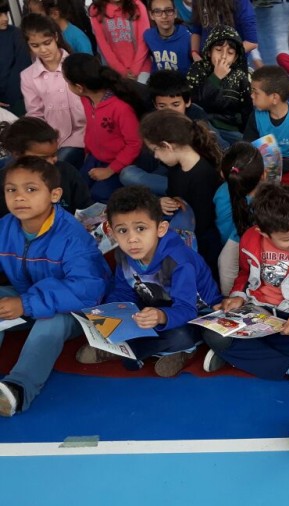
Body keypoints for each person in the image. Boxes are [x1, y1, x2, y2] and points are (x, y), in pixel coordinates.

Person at [0, 156, 108, 416]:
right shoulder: (5, 227)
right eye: (11, 190)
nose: (19, 197)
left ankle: (18, 388)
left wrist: (25, 304)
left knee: (52, 320)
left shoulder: (72, 236)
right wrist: (22, 302)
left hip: (76, 309)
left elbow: (87, 290)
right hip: (27, 297)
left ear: (55, 195)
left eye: (31, 189)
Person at [76, 185, 222, 376]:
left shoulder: (179, 261)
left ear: (160, 228)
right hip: (153, 308)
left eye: (141, 228)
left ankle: (129, 352)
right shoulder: (124, 255)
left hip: (194, 315)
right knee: (116, 322)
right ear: (111, 232)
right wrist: (112, 313)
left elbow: (187, 309)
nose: (132, 239)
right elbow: (123, 291)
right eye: (122, 231)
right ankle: (150, 350)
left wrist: (161, 316)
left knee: (180, 335)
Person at [202, 183, 289, 389]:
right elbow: (245, 274)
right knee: (212, 334)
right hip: (258, 312)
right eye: (287, 238)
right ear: (263, 232)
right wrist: (238, 296)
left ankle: (236, 354)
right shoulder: (249, 238)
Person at [140, 109, 223, 272]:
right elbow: (174, 195)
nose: (155, 156)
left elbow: (202, 224)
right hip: (185, 228)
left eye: (155, 150)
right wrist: (165, 202)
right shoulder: (176, 166)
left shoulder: (202, 174)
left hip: (202, 246)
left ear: (167, 146)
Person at [62, 53, 144, 204]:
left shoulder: (120, 108)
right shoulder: (86, 99)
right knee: (76, 190)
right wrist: (88, 152)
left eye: (67, 82)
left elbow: (134, 143)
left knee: (97, 198)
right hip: (94, 158)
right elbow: (92, 126)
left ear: (79, 87)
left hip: (118, 163)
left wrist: (110, 170)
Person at [19, 13, 87, 168]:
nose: (43, 50)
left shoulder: (78, 64)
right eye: (35, 46)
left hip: (85, 133)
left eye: (47, 43)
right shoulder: (27, 76)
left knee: (58, 165)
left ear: (56, 37)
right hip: (51, 140)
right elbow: (35, 115)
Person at [0, 117, 92, 216]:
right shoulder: (4, 181)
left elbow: (85, 209)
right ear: (17, 155)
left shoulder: (67, 172)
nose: (52, 161)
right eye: (43, 158)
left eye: (54, 154)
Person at [185, 25, 252, 146]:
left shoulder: (240, 76)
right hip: (203, 125)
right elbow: (194, 103)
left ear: (235, 57)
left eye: (230, 52)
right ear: (209, 52)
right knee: (218, 143)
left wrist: (248, 135)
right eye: (218, 50)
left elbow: (247, 110)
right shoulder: (198, 69)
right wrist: (216, 77)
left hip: (230, 129)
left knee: (246, 146)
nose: (223, 56)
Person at [213, 142, 265, 294]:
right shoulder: (266, 204)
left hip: (227, 253)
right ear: (264, 175)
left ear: (223, 174)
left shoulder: (220, 194)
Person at [88, 0, 152, 82]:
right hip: (114, 70)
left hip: (141, 67)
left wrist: (134, 70)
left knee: (140, 87)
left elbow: (143, 42)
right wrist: (121, 71)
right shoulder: (96, 10)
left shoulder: (138, 6)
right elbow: (103, 46)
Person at [189, 0, 258, 59]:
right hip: (205, 58)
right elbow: (196, 30)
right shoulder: (199, 2)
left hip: (231, 62)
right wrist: (195, 53)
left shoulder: (241, 2)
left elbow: (251, 42)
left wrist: (225, 56)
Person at [0, 0, 32, 116]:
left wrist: (10, 101)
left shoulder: (16, 34)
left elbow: (23, 67)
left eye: (6, 13)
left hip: (16, 100)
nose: (5, 18)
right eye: (0, 15)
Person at [145, 0, 192, 75]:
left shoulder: (188, 37)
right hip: (157, 80)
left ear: (175, 13)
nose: (164, 16)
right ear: (151, 15)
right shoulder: (148, 36)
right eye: (157, 11)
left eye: (169, 10)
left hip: (183, 81)